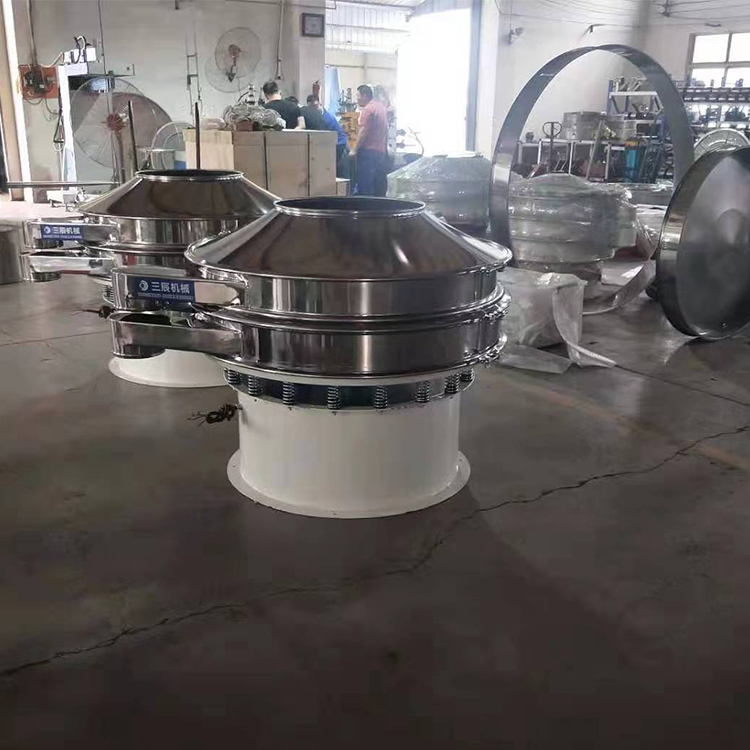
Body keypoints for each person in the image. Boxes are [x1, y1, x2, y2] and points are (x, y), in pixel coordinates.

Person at [353, 84, 387, 196]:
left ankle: (365, 206)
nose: (357, 99)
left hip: (368, 152)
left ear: (364, 96)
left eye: (358, 96)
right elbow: (386, 129)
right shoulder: (381, 107)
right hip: (380, 152)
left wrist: (354, 149)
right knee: (378, 185)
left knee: (365, 186)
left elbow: (363, 131)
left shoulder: (368, 110)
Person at [305, 94, 349, 175]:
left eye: (316, 106)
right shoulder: (313, 118)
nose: (314, 110)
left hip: (340, 149)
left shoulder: (328, 119)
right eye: (311, 108)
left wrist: (330, 152)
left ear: (320, 104)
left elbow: (342, 138)